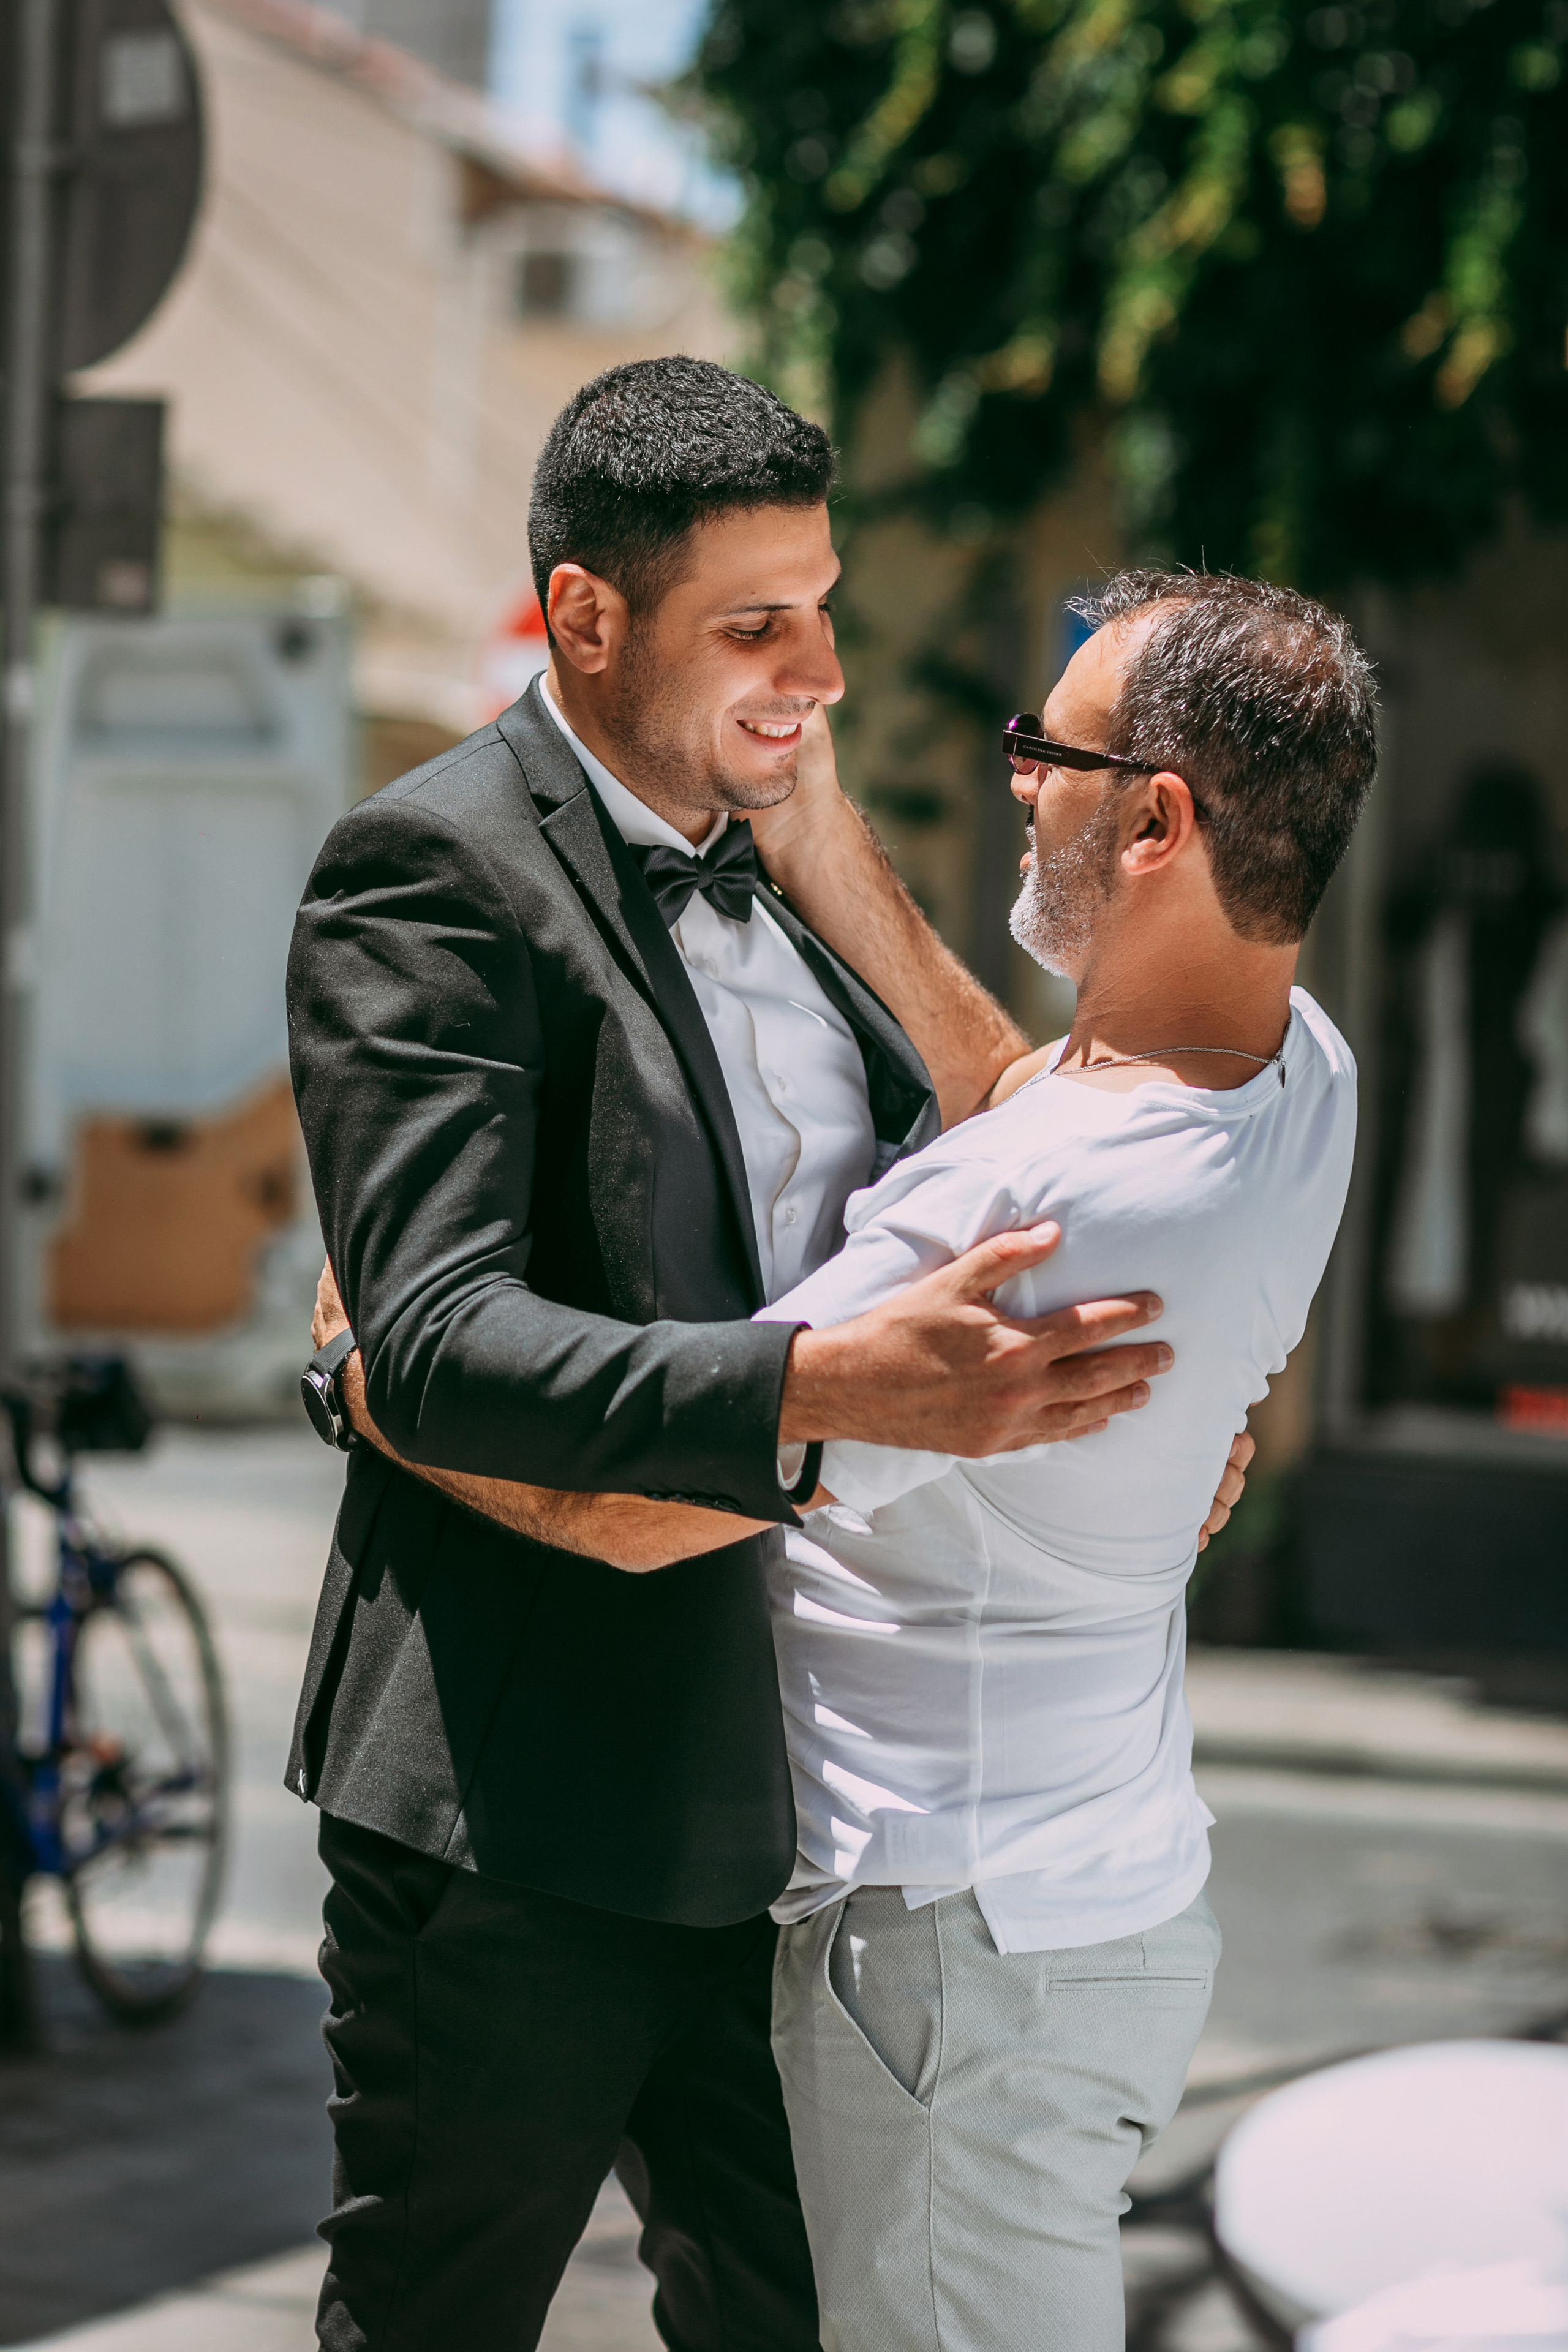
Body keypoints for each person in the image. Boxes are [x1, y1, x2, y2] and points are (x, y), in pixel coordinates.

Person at [327, 564, 1372, 2347]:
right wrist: (819, 829)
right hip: (1093, 1907)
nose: (1019, 774)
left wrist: (369, 1374)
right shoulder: (1297, 1074)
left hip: (951, 1950)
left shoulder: (1023, 1214)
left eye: (1053, 750)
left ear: (1157, 822)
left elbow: (645, 1515)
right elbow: (1036, 1095)